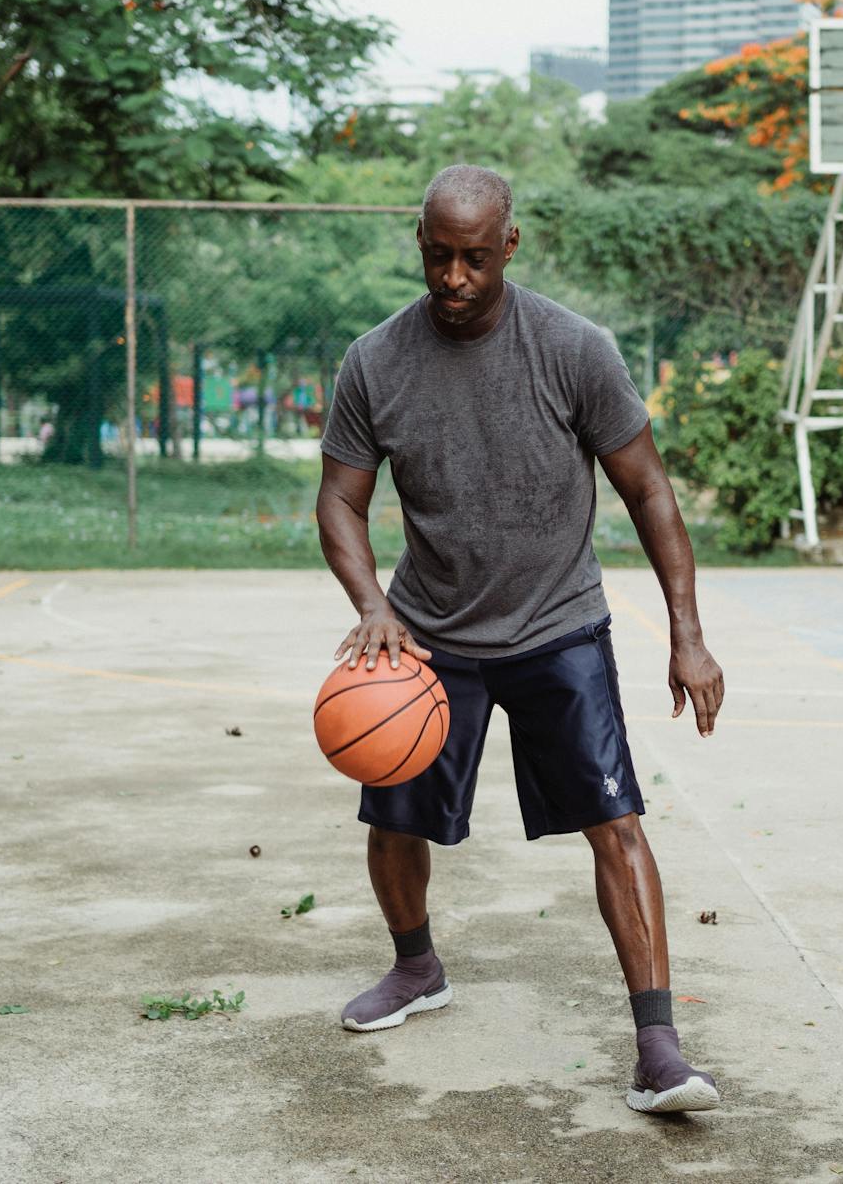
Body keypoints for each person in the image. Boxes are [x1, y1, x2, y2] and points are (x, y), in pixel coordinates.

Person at [316, 165, 727, 1115]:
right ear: (418, 241)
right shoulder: (375, 359)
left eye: (471, 257)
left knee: (616, 823)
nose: (452, 276)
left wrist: (688, 634)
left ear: (509, 245)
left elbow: (650, 490)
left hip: (557, 623)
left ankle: (659, 1045)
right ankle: (417, 967)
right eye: (435, 255)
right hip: (430, 631)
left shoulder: (573, 348)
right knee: (394, 814)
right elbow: (340, 498)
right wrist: (372, 602)